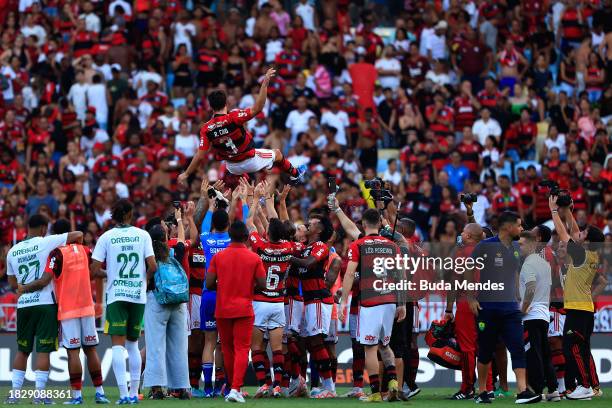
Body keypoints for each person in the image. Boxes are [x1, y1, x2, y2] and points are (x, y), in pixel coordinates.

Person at [17, 219, 109, 405]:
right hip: (87, 307)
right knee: (91, 349)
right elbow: (96, 271)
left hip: (68, 309)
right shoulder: (85, 250)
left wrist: (23, 288)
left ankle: (77, 397)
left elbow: (44, 281)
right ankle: (100, 393)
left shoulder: (56, 254)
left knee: (73, 352)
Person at [5, 215, 83, 405]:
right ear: (43, 228)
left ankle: (14, 395)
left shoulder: (12, 251)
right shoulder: (47, 241)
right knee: (43, 351)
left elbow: (12, 283)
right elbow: (78, 234)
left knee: (22, 350)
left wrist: (24, 287)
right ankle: (39, 395)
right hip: (46, 303)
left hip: (24, 305)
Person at [178, 68, 304, 184]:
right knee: (277, 154)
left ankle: (249, 188)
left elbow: (200, 156)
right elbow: (258, 108)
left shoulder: (206, 128)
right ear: (226, 103)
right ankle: (295, 174)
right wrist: (264, 84)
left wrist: (186, 173)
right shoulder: (233, 117)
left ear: (211, 107)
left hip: (231, 166)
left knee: (243, 178)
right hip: (249, 159)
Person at [466, 211, 542, 404]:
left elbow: (516, 271)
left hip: (510, 309)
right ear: (508, 227)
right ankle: (482, 391)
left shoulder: (517, 247)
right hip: (487, 308)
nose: (521, 228)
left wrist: (519, 295)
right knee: (485, 351)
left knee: (517, 348)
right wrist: (470, 298)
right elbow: (468, 269)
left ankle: (523, 391)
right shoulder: (485, 246)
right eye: (519, 225)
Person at [91, 199, 156, 405]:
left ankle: (122, 395)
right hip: (138, 295)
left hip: (117, 295)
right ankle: (133, 393)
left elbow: (93, 270)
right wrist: (143, 282)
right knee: (133, 344)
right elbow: (152, 266)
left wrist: (109, 273)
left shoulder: (106, 237)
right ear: (129, 213)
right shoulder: (142, 234)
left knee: (118, 345)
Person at [339, 208, 406, 402]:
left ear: (363, 225)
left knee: (370, 348)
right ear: (379, 223)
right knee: (385, 345)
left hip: (370, 302)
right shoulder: (392, 245)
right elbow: (400, 275)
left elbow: (350, 274)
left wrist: (343, 302)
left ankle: (376, 392)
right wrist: (401, 303)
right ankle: (393, 382)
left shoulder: (358, 245)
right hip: (390, 301)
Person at [246, 182, 301, 398]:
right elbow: (284, 225)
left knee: (257, 348)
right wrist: (271, 202)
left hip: (260, 301)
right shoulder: (288, 247)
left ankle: (264, 384)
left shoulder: (261, 246)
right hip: (278, 302)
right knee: (278, 349)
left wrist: (254, 199)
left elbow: (249, 222)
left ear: (268, 232)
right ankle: (278, 385)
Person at [550, 196, 607, 399]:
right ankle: (594, 386)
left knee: (572, 347)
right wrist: (568, 209)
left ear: (588, 241)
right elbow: (573, 231)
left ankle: (584, 386)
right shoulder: (590, 254)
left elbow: (564, 233)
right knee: (582, 348)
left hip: (577, 309)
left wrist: (555, 211)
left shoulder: (581, 254)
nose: (579, 233)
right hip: (584, 308)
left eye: (584, 233)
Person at [205, 220, 267, 403]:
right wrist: (248, 288)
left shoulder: (219, 257)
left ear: (229, 236)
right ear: (247, 237)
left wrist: (224, 287)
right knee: (241, 349)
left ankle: (232, 387)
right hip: (244, 308)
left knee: (226, 349)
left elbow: (209, 284)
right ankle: (235, 389)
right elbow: (263, 285)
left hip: (222, 308)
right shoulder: (254, 258)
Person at [289, 213, 337, 398]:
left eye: (313, 222)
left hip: (318, 299)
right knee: (307, 342)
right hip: (309, 300)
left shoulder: (320, 246)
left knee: (316, 341)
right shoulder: (306, 247)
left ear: (320, 229)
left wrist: (286, 256)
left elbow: (309, 264)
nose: (308, 223)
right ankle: (312, 383)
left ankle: (329, 388)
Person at [143, 215, 190, 400]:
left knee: (155, 346)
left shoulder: (148, 256)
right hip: (178, 302)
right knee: (179, 347)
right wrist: (179, 220)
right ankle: (182, 388)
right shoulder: (175, 251)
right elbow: (181, 240)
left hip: (156, 300)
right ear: (165, 237)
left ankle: (156, 390)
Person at [517, 230, 559, 401]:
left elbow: (531, 287)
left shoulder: (528, 264)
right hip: (543, 314)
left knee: (533, 354)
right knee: (545, 353)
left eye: (521, 244)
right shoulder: (544, 263)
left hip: (531, 316)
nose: (519, 247)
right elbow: (547, 291)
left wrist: (523, 308)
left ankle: (537, 390)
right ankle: (553, 390)